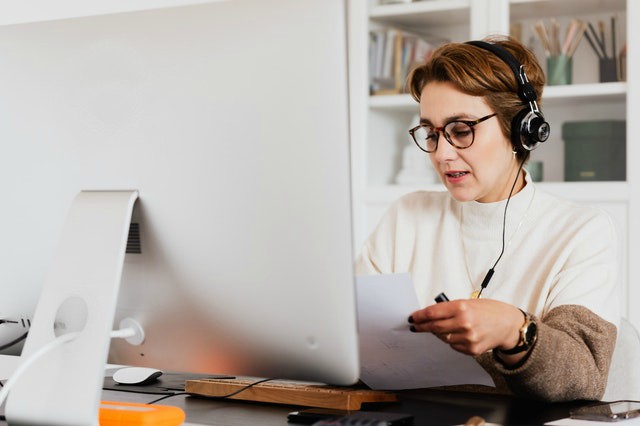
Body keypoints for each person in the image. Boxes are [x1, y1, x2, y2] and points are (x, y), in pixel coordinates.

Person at [356, 36, 620, 402]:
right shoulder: (407, 215)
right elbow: (350, 343)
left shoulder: (579, 230)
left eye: (461, 131)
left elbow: (584, 376)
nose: (442, 154)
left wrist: (516, 330)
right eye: (431, 133)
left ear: (520, 128)